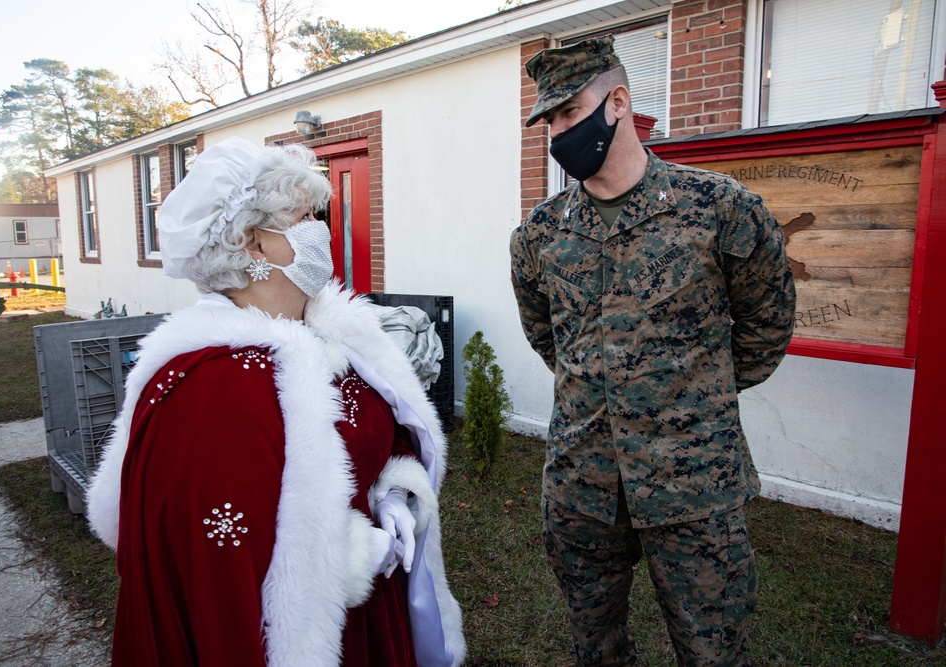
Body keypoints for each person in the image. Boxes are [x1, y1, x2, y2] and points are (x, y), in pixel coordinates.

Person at [86, 137, 466, 667]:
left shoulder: (331, 335)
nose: (322, 231)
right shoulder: (212, 386)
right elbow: (218, 562)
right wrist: (345, 557)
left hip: (374, 618)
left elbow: (377, 435)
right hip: (312, 634)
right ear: (252, 243)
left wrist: (396, 488)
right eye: (305, 218)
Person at [510, 35, 796, 667]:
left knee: (712, 652)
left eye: (569, 113)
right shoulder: (540, 234)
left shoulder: (720, 210)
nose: (558, 132)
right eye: (549, 120)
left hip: (693, 484)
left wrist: (692, 395)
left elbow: (767, 326)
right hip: (582, 485)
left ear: (618, 101)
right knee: (596, 650)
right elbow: (549, 338)